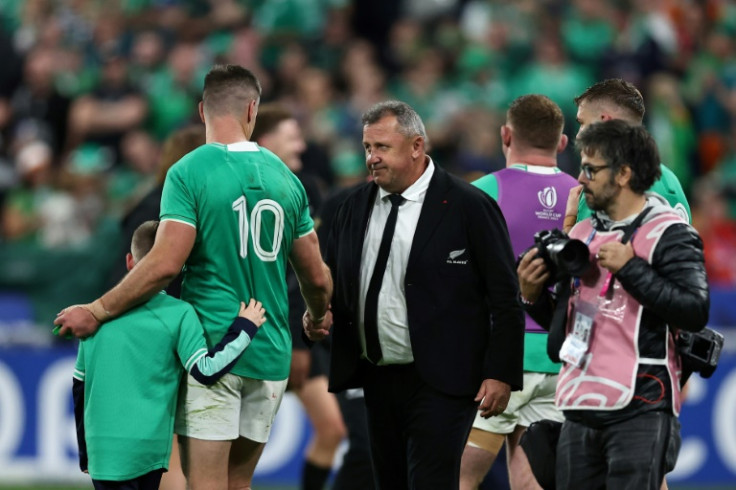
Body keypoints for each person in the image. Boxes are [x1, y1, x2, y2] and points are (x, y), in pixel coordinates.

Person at [54, 64, 333, 490]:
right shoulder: (287, 179)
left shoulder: (188, 171)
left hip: (213, 347)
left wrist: (97, 309)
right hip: (271, 349)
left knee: (204, 484)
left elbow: (165, 263)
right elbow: (315, 274)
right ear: (252, 109)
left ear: (203, 111)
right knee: (239, 481)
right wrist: (315, 318)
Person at [305, 100, 525, 489]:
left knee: (430, 482)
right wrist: (320, 312)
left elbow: (505, 295)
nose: (371, 158)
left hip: (444, 378)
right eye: (367, 147)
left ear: (417, 146)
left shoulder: (468, 205)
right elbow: (337, 278)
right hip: (376, 374)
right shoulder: (351, 206)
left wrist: (501, 372)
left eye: (382, 147)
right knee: (388, 483)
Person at [517, 120, 709, 489]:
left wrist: (631, 267)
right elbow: (566, 325)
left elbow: (694, 310)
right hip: (579, 404)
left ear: (623, 173)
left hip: (640, 406)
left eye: (591, 169)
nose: (581, 178)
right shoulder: (581, 235)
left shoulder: (670, 232)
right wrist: (530, 294)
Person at [72, 220, 266, 490]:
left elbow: (79, 388)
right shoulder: (178, 313)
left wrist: (85, 452)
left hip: (101, 448)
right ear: (176, 265)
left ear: (130, 261)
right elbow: (205, 370)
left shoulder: (92, 317)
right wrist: (244, 328)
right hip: (147, 449)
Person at [460, 94, 578, 490]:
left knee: (458, 478)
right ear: (562, 143)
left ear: (505, 135)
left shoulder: (482, 193)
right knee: (534, 484)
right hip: (561, 360)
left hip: (499, 362)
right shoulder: (584, 196)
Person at [251, 103, 345, 490]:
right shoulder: (259, 186)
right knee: (241, 437)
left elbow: (308, 266)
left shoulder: (305, 186)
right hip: (264, 327)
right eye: (292, 137)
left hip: (299, 326)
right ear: (266, 141)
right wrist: (298, 340)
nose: (301, 146)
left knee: (333, 431)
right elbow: (289, 273)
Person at [564, 78, 691, 233]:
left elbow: (585, 252)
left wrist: (570, 220)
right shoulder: (672, 181)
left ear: (604, 121)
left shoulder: (605, 183)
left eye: (582, 123)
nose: (578, 135)